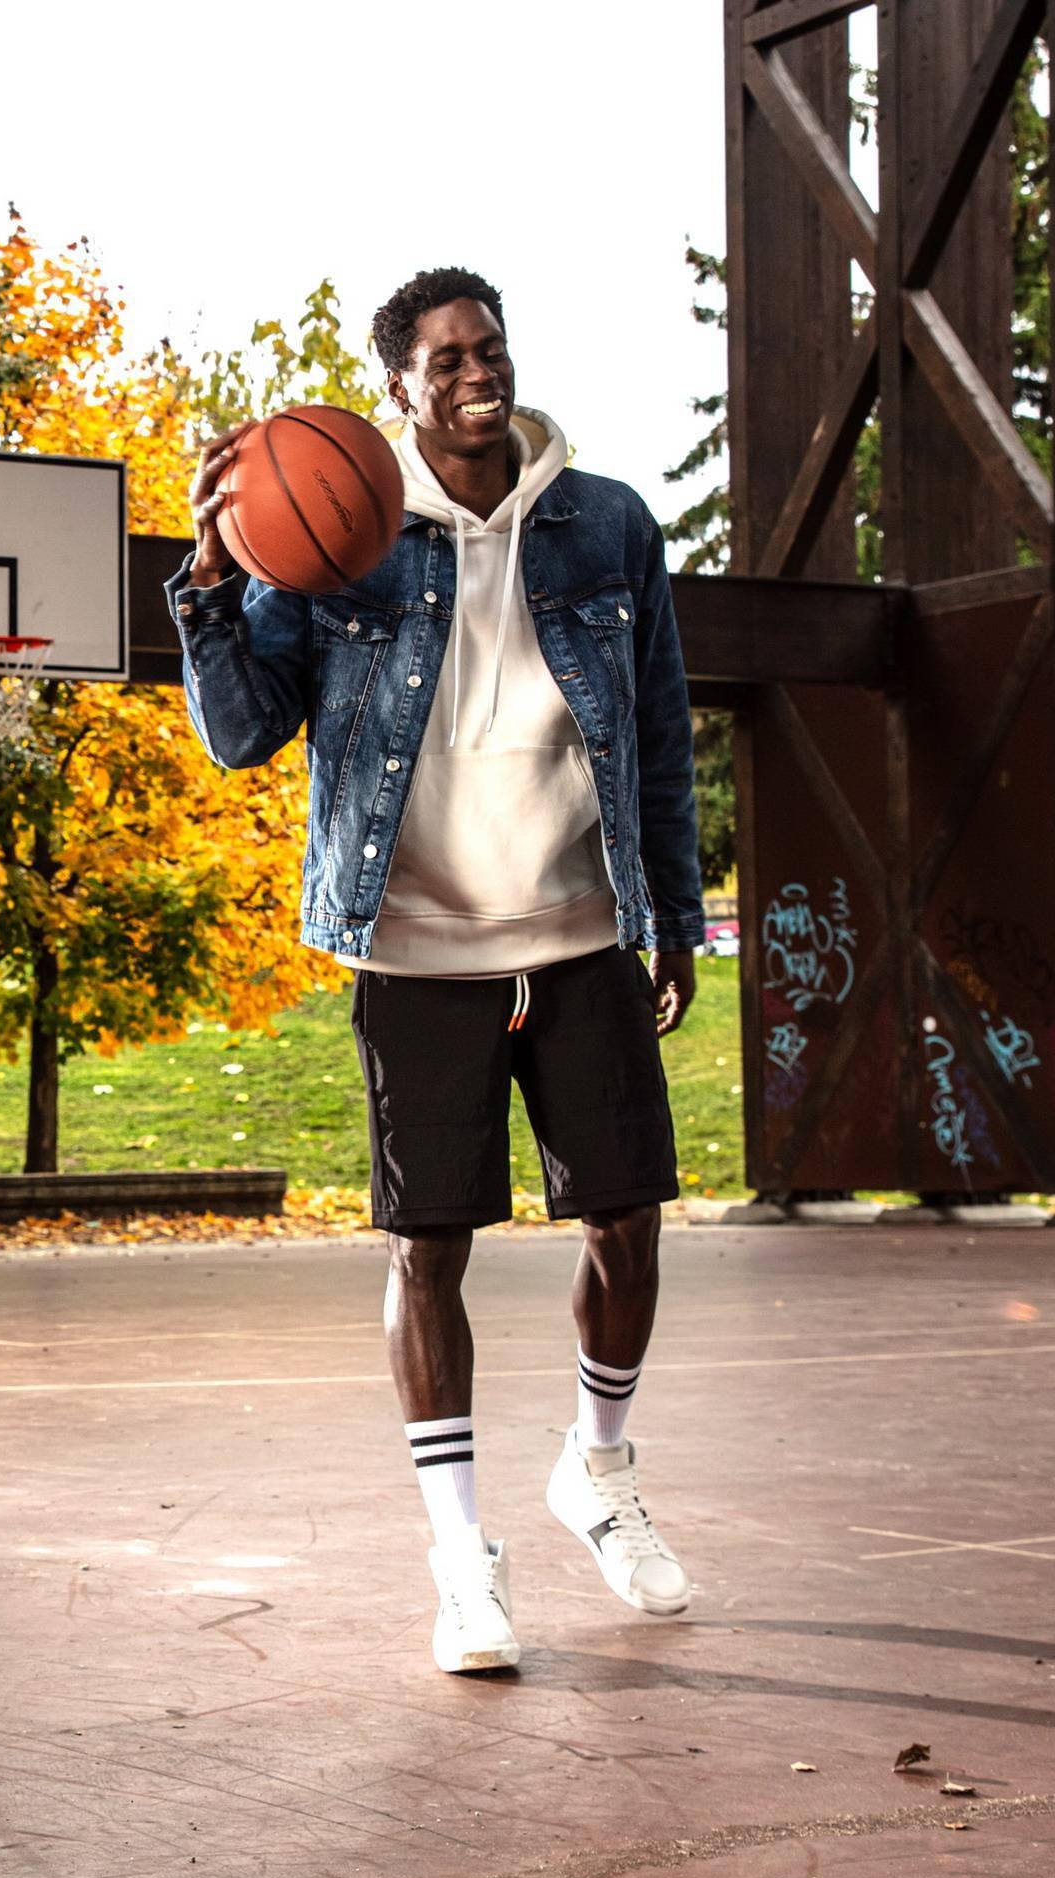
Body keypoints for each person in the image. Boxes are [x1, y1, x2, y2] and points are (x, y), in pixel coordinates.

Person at [171, 267, 705, 1674]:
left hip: (581, 925)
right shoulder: (341, 531)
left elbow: (658, 729)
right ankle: (463, 1557)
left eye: (491, 348)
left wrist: (676, 910)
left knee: (629, 1224)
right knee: (429, 1250)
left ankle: (598, 1468)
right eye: (448, 358)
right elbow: (241, 734)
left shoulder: (607, 523)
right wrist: (213, 587)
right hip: (415, 943)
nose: (479, 373)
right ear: (398, 387)